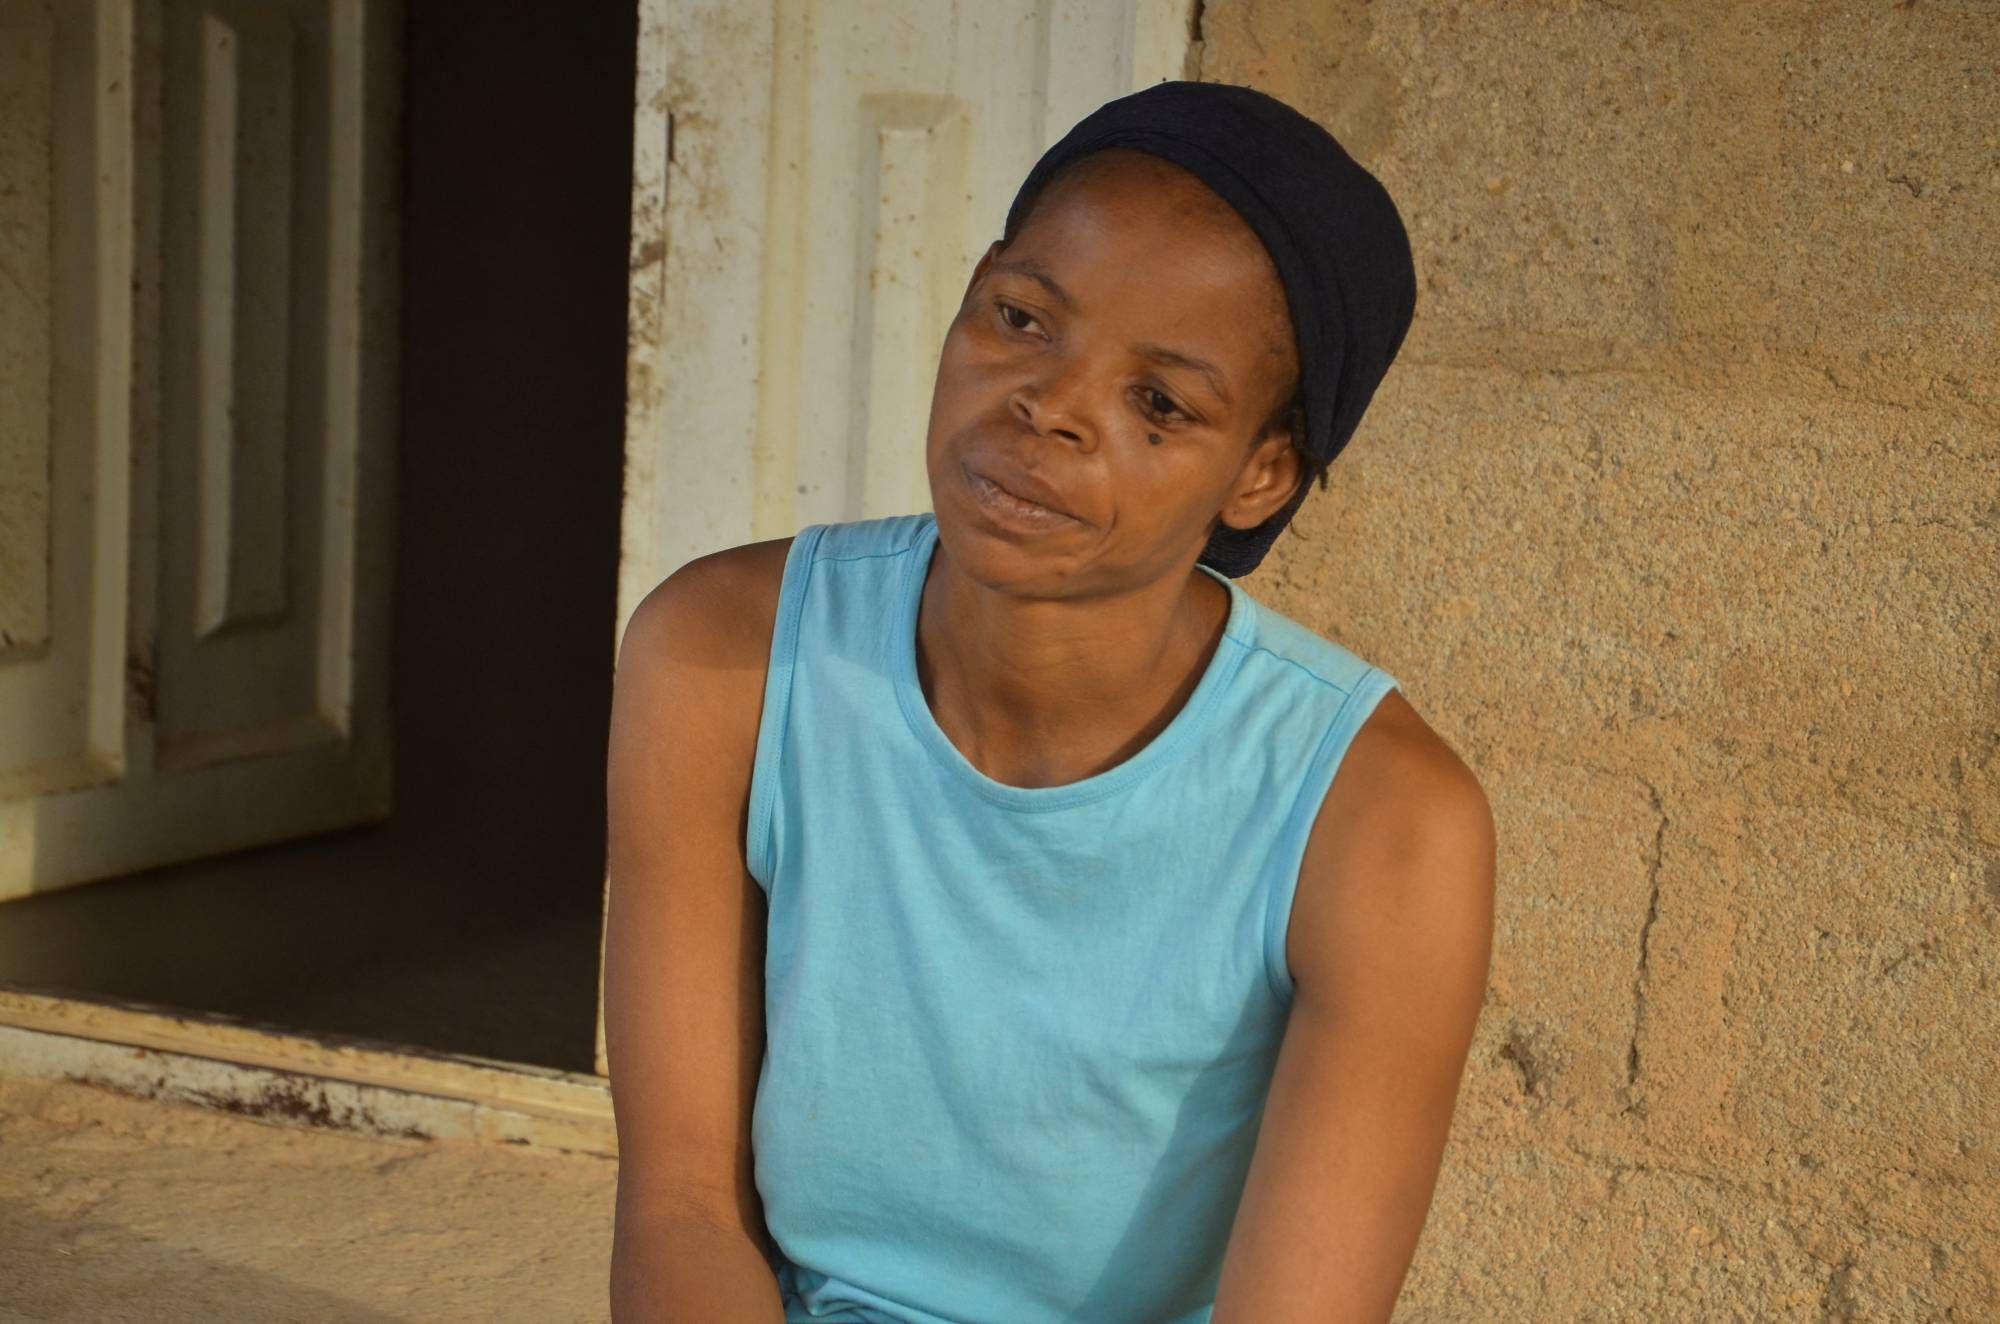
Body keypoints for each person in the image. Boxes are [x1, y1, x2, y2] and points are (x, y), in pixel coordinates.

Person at [605, 81, 1495, 1324]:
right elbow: (682, 1209)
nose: (1049, 407)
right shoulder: (724, 660)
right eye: (1022, 317)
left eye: (1158, 401)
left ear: (1259, 475)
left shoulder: (1380, 825)